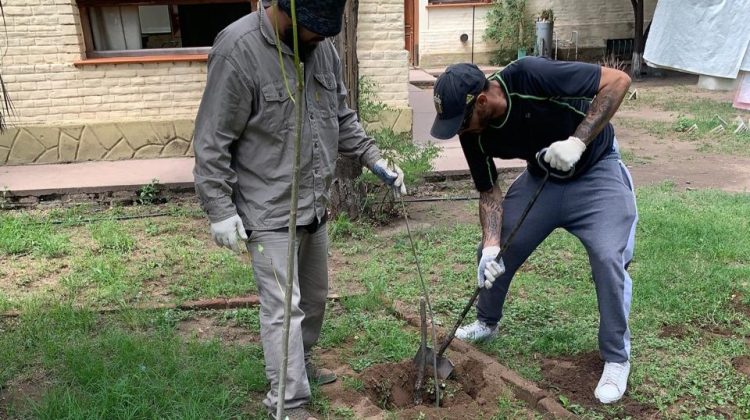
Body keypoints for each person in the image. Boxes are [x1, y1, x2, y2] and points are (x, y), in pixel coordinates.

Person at [192, 1, 405, 418]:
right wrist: (218, 208)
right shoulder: (238, 50)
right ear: (285, 9)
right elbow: (212, 139)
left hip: (313, 204)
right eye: (312, 29)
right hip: (266, 209)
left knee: (315, 299)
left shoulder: (321, 49)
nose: (320, 39)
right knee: (283, 308)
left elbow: (341, 117)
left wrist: (374, 159)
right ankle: (288, 403)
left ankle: (299, 366)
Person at [430, 57, 637, 404]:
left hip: (596, 171)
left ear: (481, 101)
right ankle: (486, 323)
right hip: (541, 181)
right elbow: (489, 191)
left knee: (607, 257)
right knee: (495, 253)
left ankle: (617, 358)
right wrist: (492, 246)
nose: (460, 132)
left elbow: (618, 80)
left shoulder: (529, 76)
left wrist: (577, 142)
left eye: (461, 122)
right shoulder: (472, 133)